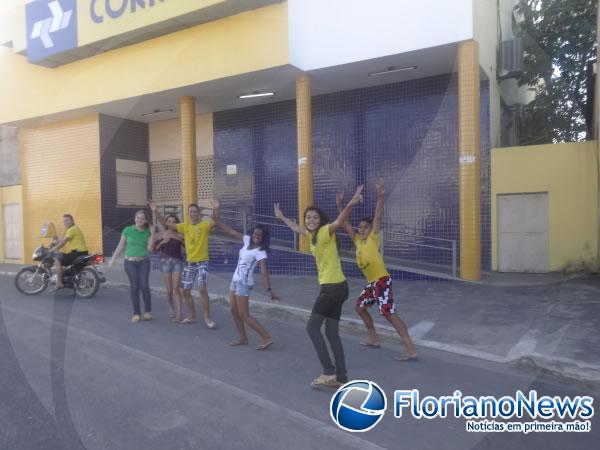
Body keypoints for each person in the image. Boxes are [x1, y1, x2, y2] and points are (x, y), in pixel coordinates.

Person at [274, 185, 363, 389]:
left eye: (314, 217)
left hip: (331, 289)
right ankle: (341, 377)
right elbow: (297, 228)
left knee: (312, 328)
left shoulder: (324, 232)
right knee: (331, 333)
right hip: (340, 287)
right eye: (308, 218)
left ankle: (328, 372)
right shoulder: (312, 235)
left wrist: (350, 203)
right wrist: (282, 217)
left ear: (320, 220)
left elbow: (339, 222)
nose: (311, 221)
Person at [336, 181, 417, 361]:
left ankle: (410, 349)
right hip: (373, 284)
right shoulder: (358, 241)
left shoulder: (373, 238)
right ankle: (373, 338)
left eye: (365, 226)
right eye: (361, 227)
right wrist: (340, 205)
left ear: (371, 229)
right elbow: (345, 223)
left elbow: (378, 217)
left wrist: (380, 196)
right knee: (360, 307)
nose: (361, 229)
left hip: (381, 280)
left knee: (388, 313)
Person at [211, 200, 280, 350]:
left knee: (244, 315)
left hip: (244, 283)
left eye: (259, 235)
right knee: (233, 311)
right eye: (255, 233)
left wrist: (268, 290)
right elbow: (229, 231)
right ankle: (243, 338)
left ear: (263, 238)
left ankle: (266, 337)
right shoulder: (247, 240)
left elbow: (264, 271)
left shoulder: (261, 252)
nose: (256, 236)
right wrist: (217, 217)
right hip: (235, 281)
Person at [150, 201, 216, 329]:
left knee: (202, 288)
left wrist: (216, 209)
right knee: (185, 291)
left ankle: (207, 317)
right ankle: (192, 315)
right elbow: (164, 223)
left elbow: (215, 222)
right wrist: (156, 211)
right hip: (190, 263)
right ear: (188, 214)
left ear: (199, 214)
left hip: (202, 262)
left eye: (195, 212)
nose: (193, 214)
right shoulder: (184, 226)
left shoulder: (204, 225)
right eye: (191, 212)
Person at [109, 210, 156, 323]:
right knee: (134, 286)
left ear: (145, 221)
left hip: (144, 262)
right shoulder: (128, 230)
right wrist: (113, 259)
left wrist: (152, 233)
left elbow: (150, 249)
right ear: (135, 218)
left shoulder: (147, 232)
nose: (139, 220)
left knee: (144, 286)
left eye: (142, 218)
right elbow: (120, 245)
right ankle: (136, 313)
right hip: (130, 263)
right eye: (137, 218)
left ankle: (148, 311)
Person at [153, 214, 185, 322]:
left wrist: (182, 240)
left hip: (177, 262)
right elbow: (155, 250)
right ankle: (171, 307)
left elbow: (187, 247)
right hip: (164, 262)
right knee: (169, 290)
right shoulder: (162, 234)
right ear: (166, 223)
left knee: (177, 288)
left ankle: (179, 313)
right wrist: (162, 242)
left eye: (173, 221)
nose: (171, 223)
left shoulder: (180, 234)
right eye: (169, 221)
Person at [49, 214, 88, 289]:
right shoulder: (74, 229)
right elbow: (62, 240)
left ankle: (59, 282)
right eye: (64, 221)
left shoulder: (72, 229)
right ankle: (65, 277)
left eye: (67, 220)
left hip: (77, 253)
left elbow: (63, 242)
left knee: (56, 258)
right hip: (82, 252)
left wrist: (53, 249)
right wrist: (54, 242)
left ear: (72, 221)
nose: (65, 222)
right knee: (63, 258)